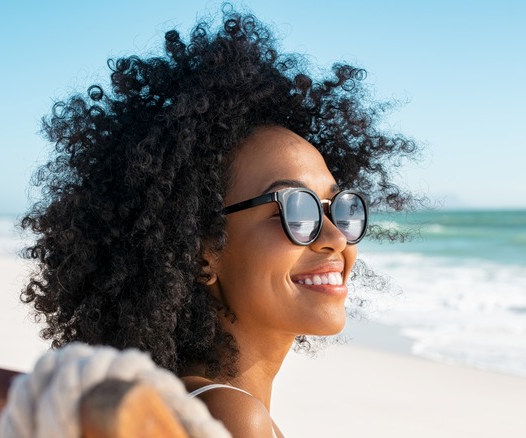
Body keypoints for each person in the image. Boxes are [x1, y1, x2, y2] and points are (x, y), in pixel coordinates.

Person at [21, 6, 416, 437]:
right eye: (296, 208)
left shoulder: (191, 400)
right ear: (202, 252)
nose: (336, 237)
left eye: (339, 206)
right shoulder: (232, 417)